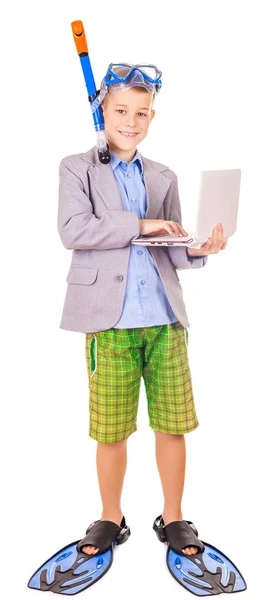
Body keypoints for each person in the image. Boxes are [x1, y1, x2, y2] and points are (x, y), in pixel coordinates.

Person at [58, 64, 227, 559]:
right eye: (120, 111)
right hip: (107, 325)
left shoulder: (162, 175)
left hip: (165, 321)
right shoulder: (77, 168)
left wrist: (200, 247)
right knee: (110, 428)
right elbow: (74, 230)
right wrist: (143, 221)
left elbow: (171, 248)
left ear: (152, 117)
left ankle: (173, 516)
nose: (131, 121)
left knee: (172, 423)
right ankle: (111, 517)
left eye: (141, 113)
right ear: (102, 112)